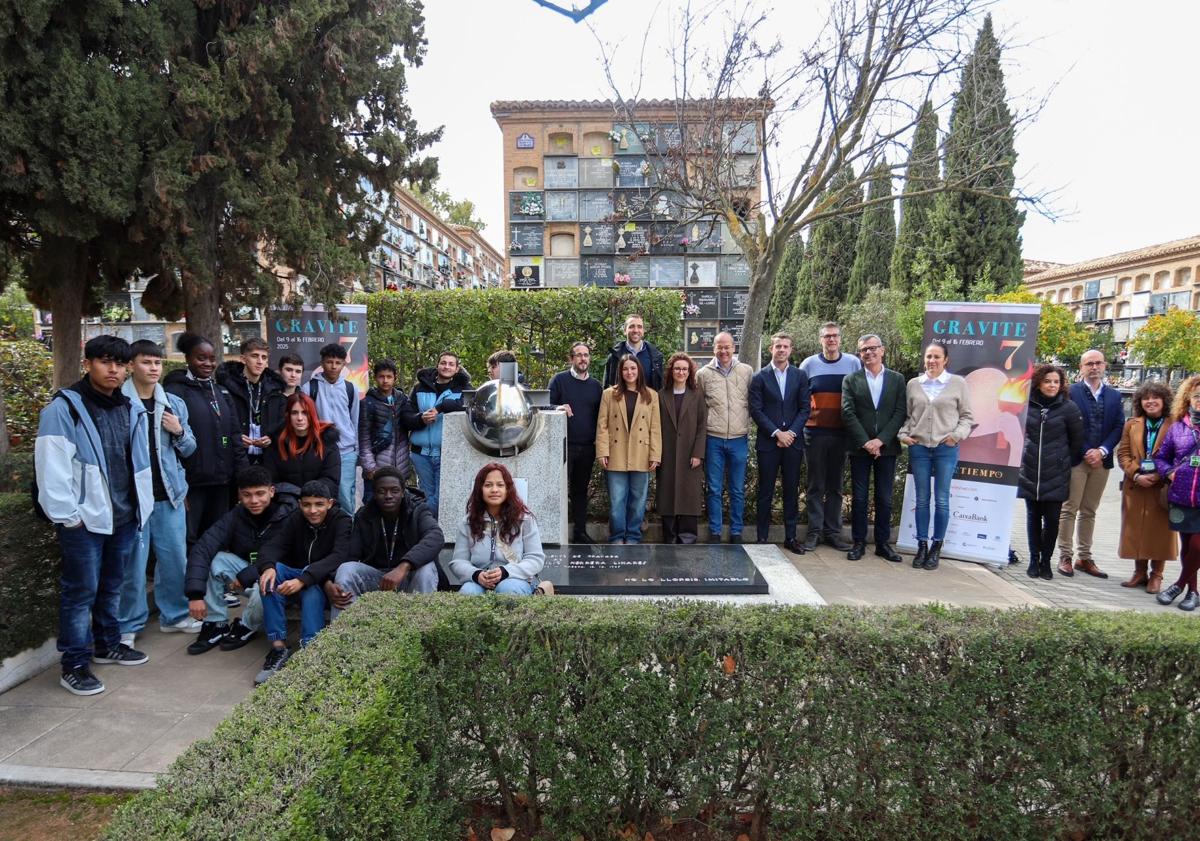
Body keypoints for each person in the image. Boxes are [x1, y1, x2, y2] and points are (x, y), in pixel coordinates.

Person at [36, 335, 153, 695]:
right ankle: (73, 663)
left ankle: (107, 644)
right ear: (88, 364)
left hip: (122, 516)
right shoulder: (65, 408)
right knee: (80, 592)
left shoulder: (131, 408)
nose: (114, 369)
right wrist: (69, 517)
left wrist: (139, 508)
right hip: (84, 521)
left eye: (120, 363)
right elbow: (51, 466)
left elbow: (140, 463)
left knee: (111, 586)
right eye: (105, 361)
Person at [118, 339, 200, 647]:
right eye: (146, 362)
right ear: (131, 365)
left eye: (157, 363)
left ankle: (175, 615)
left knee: (174, 560)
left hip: (170, 496)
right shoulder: (121, 403)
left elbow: (190, 448)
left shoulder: (174, 404)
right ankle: (128, 624)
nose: (153, 368)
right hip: (134, 500)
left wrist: (178, 430)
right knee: (133, 566)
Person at [183, 466, 293, 654]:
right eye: (247, 495)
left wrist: (249, 574)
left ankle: (246, 625)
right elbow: (203, 548)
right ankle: (216, 623)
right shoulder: (236, 515)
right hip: (245, 574)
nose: (254, 501)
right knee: (215, 558)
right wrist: (195, 594)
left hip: (280, 578)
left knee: (265, 586)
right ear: (239, 495)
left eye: (260, 493)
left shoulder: (288, 515)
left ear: (271, 491)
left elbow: (287, 556)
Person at [253, 480, 352, 684]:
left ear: (330, 503)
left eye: (319, 504)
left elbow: (339, 555)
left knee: (311, 587)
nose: (312, 510)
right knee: (272, 574)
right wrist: (268, 567)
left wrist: (303, 579)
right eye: (307, 504)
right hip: (300, 576)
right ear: (300, 504)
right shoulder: (295, 518)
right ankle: (278, 648)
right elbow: (272, 546)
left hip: (325, 582)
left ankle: (312, 650)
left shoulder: (342, 520)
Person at [163, 332, 248, 549]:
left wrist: (241, 478)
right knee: (188, 539)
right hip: (192, 484)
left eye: (212, 358)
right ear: (187, 359)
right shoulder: (175, 391)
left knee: (217, 537)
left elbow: (235, 438)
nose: (208, 363)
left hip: (222, 481)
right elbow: (167, 445)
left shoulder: (221, 391)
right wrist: (177, 485)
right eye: (201, 358)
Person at [325, 467, 444, 615]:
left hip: (410, 578)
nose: (388, 496)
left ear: (402, 492)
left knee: (426, 569)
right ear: (374, 494)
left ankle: (421, 630)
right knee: (346, 570)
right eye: (381, 491)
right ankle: (346, 634)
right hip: (379, 580)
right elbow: (349, 554)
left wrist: (404, 566)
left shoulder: (417, 510)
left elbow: (436, 536)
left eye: (394, 490)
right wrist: (329, 581)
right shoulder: (364, 515)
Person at [898, 342, 974, 571]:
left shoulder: (958, 384)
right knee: (921, 499)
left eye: (936, 356)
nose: (931, 360)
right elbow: (908, 417)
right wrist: (903, 435)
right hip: (919, 447)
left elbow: (967, 417)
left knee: (941, 499)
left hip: (945, 449)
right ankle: (921, 544)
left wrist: (956, 436)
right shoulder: (913, 384)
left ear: (945, 359)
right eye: (928, 356)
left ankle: (936, 546)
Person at [1057, 349, 1125, 579]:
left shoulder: (1115, 396)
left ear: (1105, 365)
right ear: (1081, 367)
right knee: (1069, 508)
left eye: (1098, 363)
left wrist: (1103, 450)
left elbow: (1118, 426)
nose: (1094, 367)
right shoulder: (1071, 392)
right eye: (1089, 364)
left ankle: (1084, 557)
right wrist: (1086, 450)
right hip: (1077, 459)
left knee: (1089, 510)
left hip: (1101, 462)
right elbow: (1067, 425)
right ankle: (1065, 555)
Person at [840, 334, 906, 562]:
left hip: (886, 449)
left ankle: (882, 544)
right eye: (863, 350)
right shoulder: (851, 379)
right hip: (860, 448)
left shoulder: (897, 380)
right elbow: (847, 412)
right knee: (859, 497)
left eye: (872, 348)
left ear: (882, 350)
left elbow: (900, 412)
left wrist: (881, 440)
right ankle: (858, 543)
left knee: (884, 499)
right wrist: (866, 442)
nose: (868, 353)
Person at [1016, 365, 1084, 580]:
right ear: (1039, 383)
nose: (1052, 385)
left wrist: (1060, 460)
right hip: (1030, 472)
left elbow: (1076, 442)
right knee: (1033, 518)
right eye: (1048, 381)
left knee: (1053, 520)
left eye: (1056, 381)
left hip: (1056, 474)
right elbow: (1017, 435)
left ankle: (1047, 560)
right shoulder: (1027, 406)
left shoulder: (1069, 408)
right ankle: (1034, 559)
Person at [799, 322, 861, 551]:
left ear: (840, 339)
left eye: (835, 336)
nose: (831, 340)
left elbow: (858, 397)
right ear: (820, 340)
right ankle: (814, 532)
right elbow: (801, 397)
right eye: (827, 336)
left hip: (842, 434)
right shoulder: (809, 364)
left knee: (835, 486)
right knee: (815, 485)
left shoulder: (853, 363)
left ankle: (833, 533)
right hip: (814, 433)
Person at [748, 333, 811, 554]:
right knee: (765, 491)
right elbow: (756, 410)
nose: (781, 350)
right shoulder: (759, 377)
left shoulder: (800, 376)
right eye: (778, 346)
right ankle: (762, 537)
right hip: (769, 443)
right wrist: (777, 433)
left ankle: (791, 537)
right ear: (771, 349)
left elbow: (805, 408)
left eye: (785, 346)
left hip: (792, 444)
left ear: (791, 350)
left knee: (791, 491)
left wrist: (791, 433)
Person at [449, 462, 546, 595]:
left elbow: (535, 559)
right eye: (488, 485)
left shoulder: (525, 520)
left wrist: (506, 572)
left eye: (500, 485)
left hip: (516, 579)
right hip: (479, 581)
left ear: (508, 489)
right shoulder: (467, 522)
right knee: (468, 592)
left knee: (507, 589)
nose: (494, 490)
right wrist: (476, 574)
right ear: (480, 489)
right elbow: (458, 561)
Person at [1116, 381, 1175, 594]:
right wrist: (1137, 473)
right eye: (1145, 398)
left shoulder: (1175, 423)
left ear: (1164, 401)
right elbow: (1122, 453)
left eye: (1155, 398)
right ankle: (1139, 573)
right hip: (1136, 485)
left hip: (1162, 486)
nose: (1150, 402)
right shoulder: (1132, 424)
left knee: (1160, 532)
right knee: (1136, 530)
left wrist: (1161, 473)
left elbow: (1181, 455)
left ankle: (1156, 575)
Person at [596, 355, 662, 544]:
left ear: (639, 370)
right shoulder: (609, 394)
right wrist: (602, 451)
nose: (629, 372)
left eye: (633, 368)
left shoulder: (651, 395)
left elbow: (655, 428)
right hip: (615, 454)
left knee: (638, 500)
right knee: (617, 500)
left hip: (642, 454)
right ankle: (617, 535)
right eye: (625, 369)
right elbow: (602, 425)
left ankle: (633, 535)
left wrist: (655, 454)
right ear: (620, 372)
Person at [696, 331, 753, 544]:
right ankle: (715, 531)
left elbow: (752, 401)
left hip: (739, 438)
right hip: (714, 439)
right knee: (714, 488)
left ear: (734, 348)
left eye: (727, 346)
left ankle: (736, 531)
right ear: (714, 349)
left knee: (737, 488)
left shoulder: (746, 371)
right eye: (719, 347)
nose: (724, 351)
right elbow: (700, 407)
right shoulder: (703, 374)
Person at [548, 342, 604, 543]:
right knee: (558, 489)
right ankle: (554, 532)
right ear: (571, 359)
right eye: (578, 355)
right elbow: (545, 405)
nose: (583, 359)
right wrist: (558, 407)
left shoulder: (596, 387)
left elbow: (601, 418)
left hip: (587, 447)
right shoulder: (559, 381)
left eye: (586, 355)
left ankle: (580, 532)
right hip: (564, 445)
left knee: (580, 491)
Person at [1154, 376, 1200, 611]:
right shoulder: (1177, 427)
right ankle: (1193, 592)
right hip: (1182, 496)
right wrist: (1169, 472)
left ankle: (1179, 585)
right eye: (1197, 396)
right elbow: (1160, 457)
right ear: (1188, 399)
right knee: (1187, 545)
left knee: (1197, 546)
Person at [409, 351, 471, 518]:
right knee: (427, 495)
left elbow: (470, 406)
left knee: (442, 497)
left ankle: (424, 527)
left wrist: (442, 406)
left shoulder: (465, 389)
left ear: (457, 369)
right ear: (437, 366)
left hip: (448, 454)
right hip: (420, 454)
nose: (446, 367)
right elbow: (406, 416)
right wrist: (420, 419)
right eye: (443, 363)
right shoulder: (419, 388)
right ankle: (431, 532)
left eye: (451, 364)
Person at [657, 353, 707, 543]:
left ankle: (687, 537)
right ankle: (669, 537)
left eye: (684, 369)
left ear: (690, 372)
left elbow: (702, 426)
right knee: (667, 493)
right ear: (671, 371)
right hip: (667, 453)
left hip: (690, 453)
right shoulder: (661, 395)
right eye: (677, 368)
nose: (681, 372)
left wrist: (698, 453)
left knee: (689, 494)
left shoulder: (697, 395)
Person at [307, 342, 361, 514]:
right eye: (329, 362)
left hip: (346, 451)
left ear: (344, 364)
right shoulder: (309, 388)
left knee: (345, 496)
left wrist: (357, 450)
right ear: (322, 363)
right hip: (319, 450)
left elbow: (355, 420)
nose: (333, 366)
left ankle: (348, 535)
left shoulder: (350, 388)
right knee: (320, 496)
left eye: (338, 363)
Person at [358, 359, 421, 504]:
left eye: (389, 377)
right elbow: (364, 437)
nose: (385, 381)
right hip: (376, 467)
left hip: (400, 466)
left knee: (397, 506)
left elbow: (409, 423)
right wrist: (369, 466)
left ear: (395, 378)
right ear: (375, 378)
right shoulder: (368, 402)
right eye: (381, 377)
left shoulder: (402, 399)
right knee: (372, 504)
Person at [263, 391, 341, 505]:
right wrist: (294, 496)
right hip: (287, 504)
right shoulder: (276, 443)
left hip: (319, 504)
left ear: (312, 415)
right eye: (294, 413)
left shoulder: (327, 441)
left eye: (305, 413)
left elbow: (331, 480)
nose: (300, 418)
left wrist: (308, 498)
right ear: (288, 415)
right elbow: (272, 481)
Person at [217, 337, 284, 464]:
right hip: (236, 457)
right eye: (255, 356)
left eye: (264, 358)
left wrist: (272, 438)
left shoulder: (275, 389)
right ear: (243, 359)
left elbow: (281, 422)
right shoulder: (226, 387)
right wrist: (234, 438)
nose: (260, 361)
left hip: (267, 459)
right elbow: (219, 422)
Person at [603, 313, 665, 391]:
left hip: (647, 402)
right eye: (631, 326)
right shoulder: (614, 357)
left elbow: (659, 387)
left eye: (639, 327)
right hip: (620, 402)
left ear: (643, 331)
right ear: (625, 331)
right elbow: (607, 386)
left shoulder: (656, 357)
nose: (636, 330)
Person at [261, 353, 305, 442]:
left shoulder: (304, 399)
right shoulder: (267, 396)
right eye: (289, 370)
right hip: (270, 450)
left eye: (298, 371)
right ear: (280, 371)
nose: (293, 375)